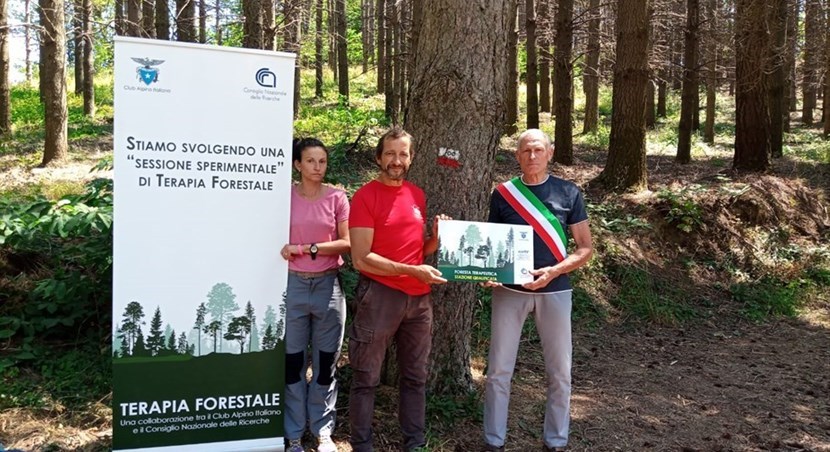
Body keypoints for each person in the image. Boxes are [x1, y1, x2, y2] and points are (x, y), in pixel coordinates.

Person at [482, 129, 594, 452]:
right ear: (517, 155)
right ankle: (493, 441)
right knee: (498, 370)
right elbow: (493, 245)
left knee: (560, 372)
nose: (532, 156)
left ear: (550, 152)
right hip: (509, 292)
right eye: (526, 150)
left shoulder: (568, 192)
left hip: (555, 291)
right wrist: (489, 273)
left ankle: (556, 441)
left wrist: (554, 271)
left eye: (538, 150)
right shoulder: (503, 194)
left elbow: (585, 248)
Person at [347, 127, 448, 452]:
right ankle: (362, 445)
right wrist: (412, 271)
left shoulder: (417, 195)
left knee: (416, 377)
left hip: (419, 300)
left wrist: (437, 239)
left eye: (403, 154)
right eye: (390, 153)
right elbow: (361, 259)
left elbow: (418, 251)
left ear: (411, 158)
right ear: (379, 157)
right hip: (379, 296)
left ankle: (414, 443)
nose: (396, 160)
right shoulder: (365, 197)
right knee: (366, 378)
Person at [281, 138, 351, 452]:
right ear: (297, 164)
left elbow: (347, 242)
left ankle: (323, 431)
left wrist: (306, 248)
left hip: (328, 286)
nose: (317, 167)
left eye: (322, 161)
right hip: (292, 286)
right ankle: (294, 433)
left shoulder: (337, 197)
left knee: (325, 363)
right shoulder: (283, 197)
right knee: (293, 362)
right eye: (310, 161)